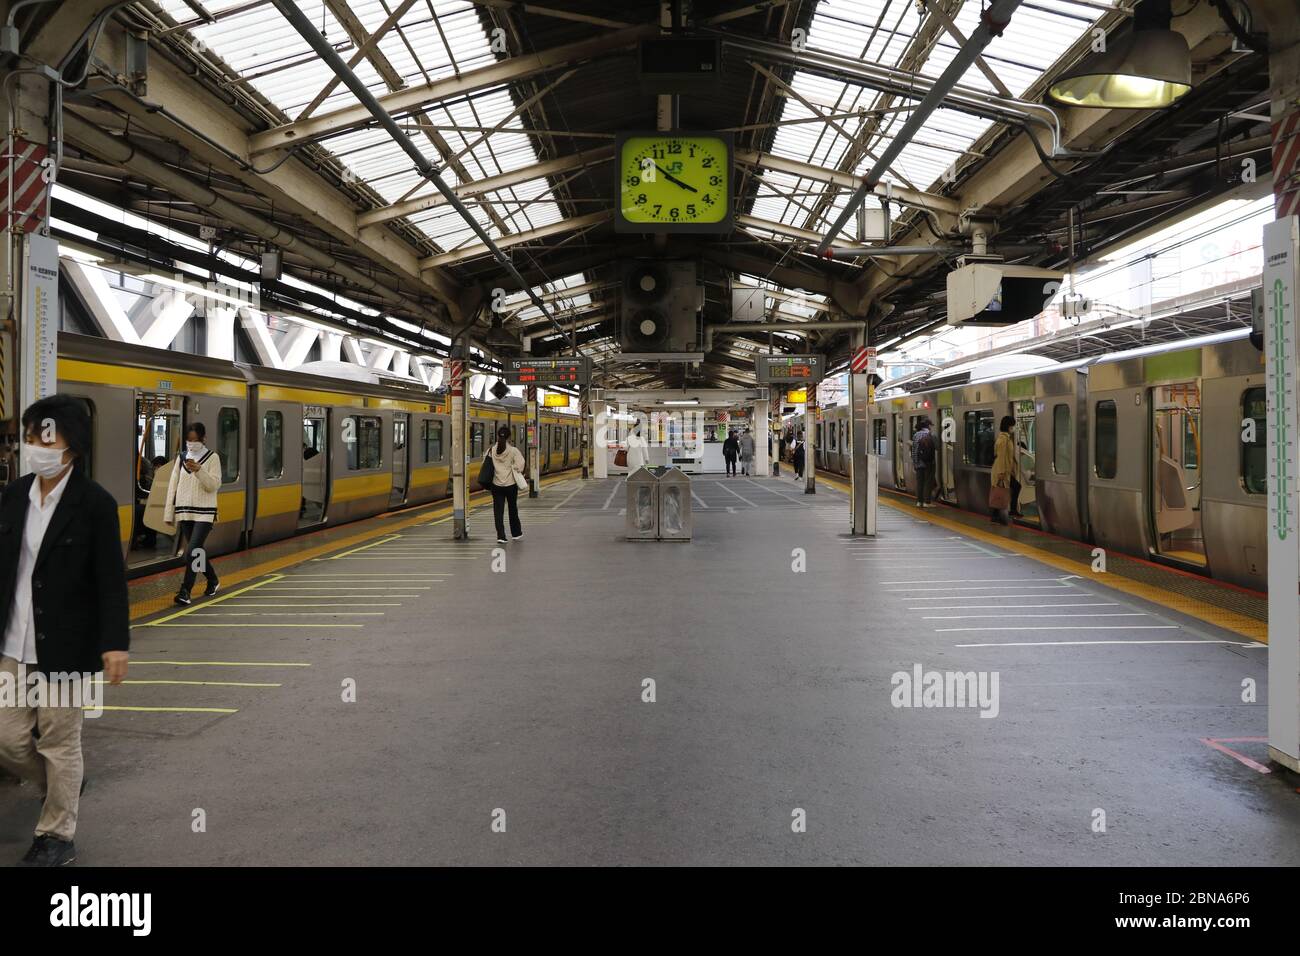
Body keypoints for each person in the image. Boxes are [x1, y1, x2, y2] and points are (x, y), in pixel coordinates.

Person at [0, 394, 130, 866]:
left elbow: (111, 583)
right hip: (13, 643)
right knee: (8, 739)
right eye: (31, 436)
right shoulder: (14, 496)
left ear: (71, 444)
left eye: (43, 436)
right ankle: (62, 782)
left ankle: (56, 835)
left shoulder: (94, 504)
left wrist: (115, 643)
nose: (33, 445)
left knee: (59, 740)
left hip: (67, 646)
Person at [164, 423, 222, 605]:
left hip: (205, 512)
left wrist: (199, 471)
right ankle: (212, 580)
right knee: (198, 551)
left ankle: (185, 590)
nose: (191, 444)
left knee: (193, 550)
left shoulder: (213, 458)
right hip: (184, 511)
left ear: (203, 439)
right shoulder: (181, 458)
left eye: (195, 440)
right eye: (189, 440)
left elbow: (213, 486)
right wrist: (168, 513)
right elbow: (172, 486)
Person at [486, 425, 525, 544]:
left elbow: (486, 464)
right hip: (510, 485)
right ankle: (516, 533)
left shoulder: (491, 450)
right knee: (513, 509)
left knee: (498, 511)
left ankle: (501, 536)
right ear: (509, 437)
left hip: (496, 485)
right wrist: (512, 467)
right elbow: (520, 465)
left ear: (498, 436)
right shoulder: (513, 451)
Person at [990, 415, 1018, 526]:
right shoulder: (1003, 439)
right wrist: (1001, 472)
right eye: (1013, 425)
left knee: (1000, 491)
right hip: (1000, 471)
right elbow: (1001, 457)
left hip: (1004, 470)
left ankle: (997, 515)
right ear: (1009, 426)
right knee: (1003, 490)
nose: (1013, 427)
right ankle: (1008, 512)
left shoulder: (1005, 438)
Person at [912, 417, 936, 508]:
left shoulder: (916, 435)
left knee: (920, 483)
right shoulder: (930, 435)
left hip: (918, 463)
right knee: (928, 482)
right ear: (928, 426)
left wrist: (915, 463)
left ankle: (919, 502)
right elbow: (937, 447)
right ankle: (927, 502)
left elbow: (914, 451)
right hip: (929, 462)